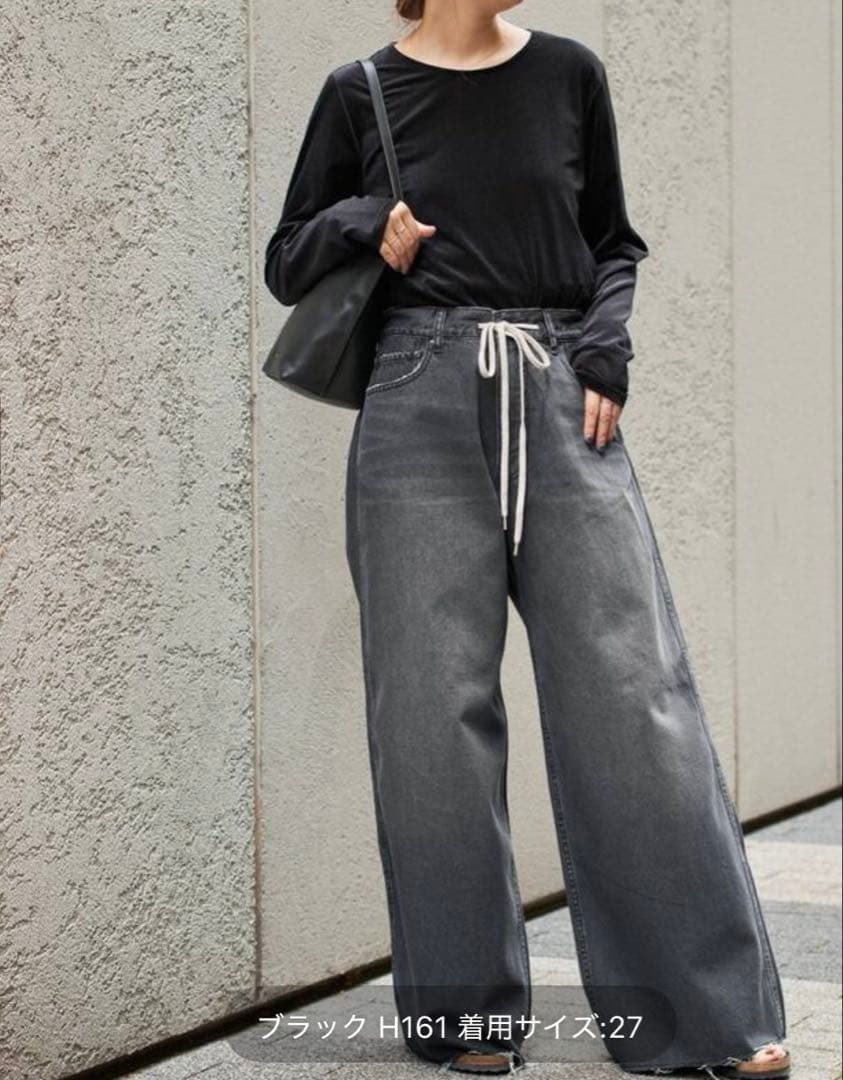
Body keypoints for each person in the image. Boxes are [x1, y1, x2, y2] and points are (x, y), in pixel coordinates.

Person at [264, 2, 791, 1076]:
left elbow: (613, 242)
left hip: (561, 397)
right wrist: (367, 220)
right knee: (430, 718)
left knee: (633, 700)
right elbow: (287, 257)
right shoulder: (360, 91)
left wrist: (605, 351)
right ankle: (466, 1017)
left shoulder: (567, 75)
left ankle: (705, 1017)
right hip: (415, 404)